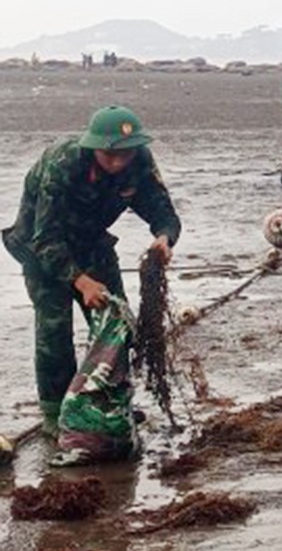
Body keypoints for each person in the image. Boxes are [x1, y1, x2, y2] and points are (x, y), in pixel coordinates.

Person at [2, 105, 181, 436]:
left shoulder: (139, 161)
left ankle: (113, 401)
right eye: (109, 155)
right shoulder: (62, 164)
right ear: (93, 145)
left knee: (116, 322)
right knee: (54, 330)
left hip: (92, 243)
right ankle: (56, 415)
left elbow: (163, 210)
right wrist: (81, 282)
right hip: (40, 247)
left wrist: (163, 238)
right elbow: (46, 239)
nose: (117, 162)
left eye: (125, 154)